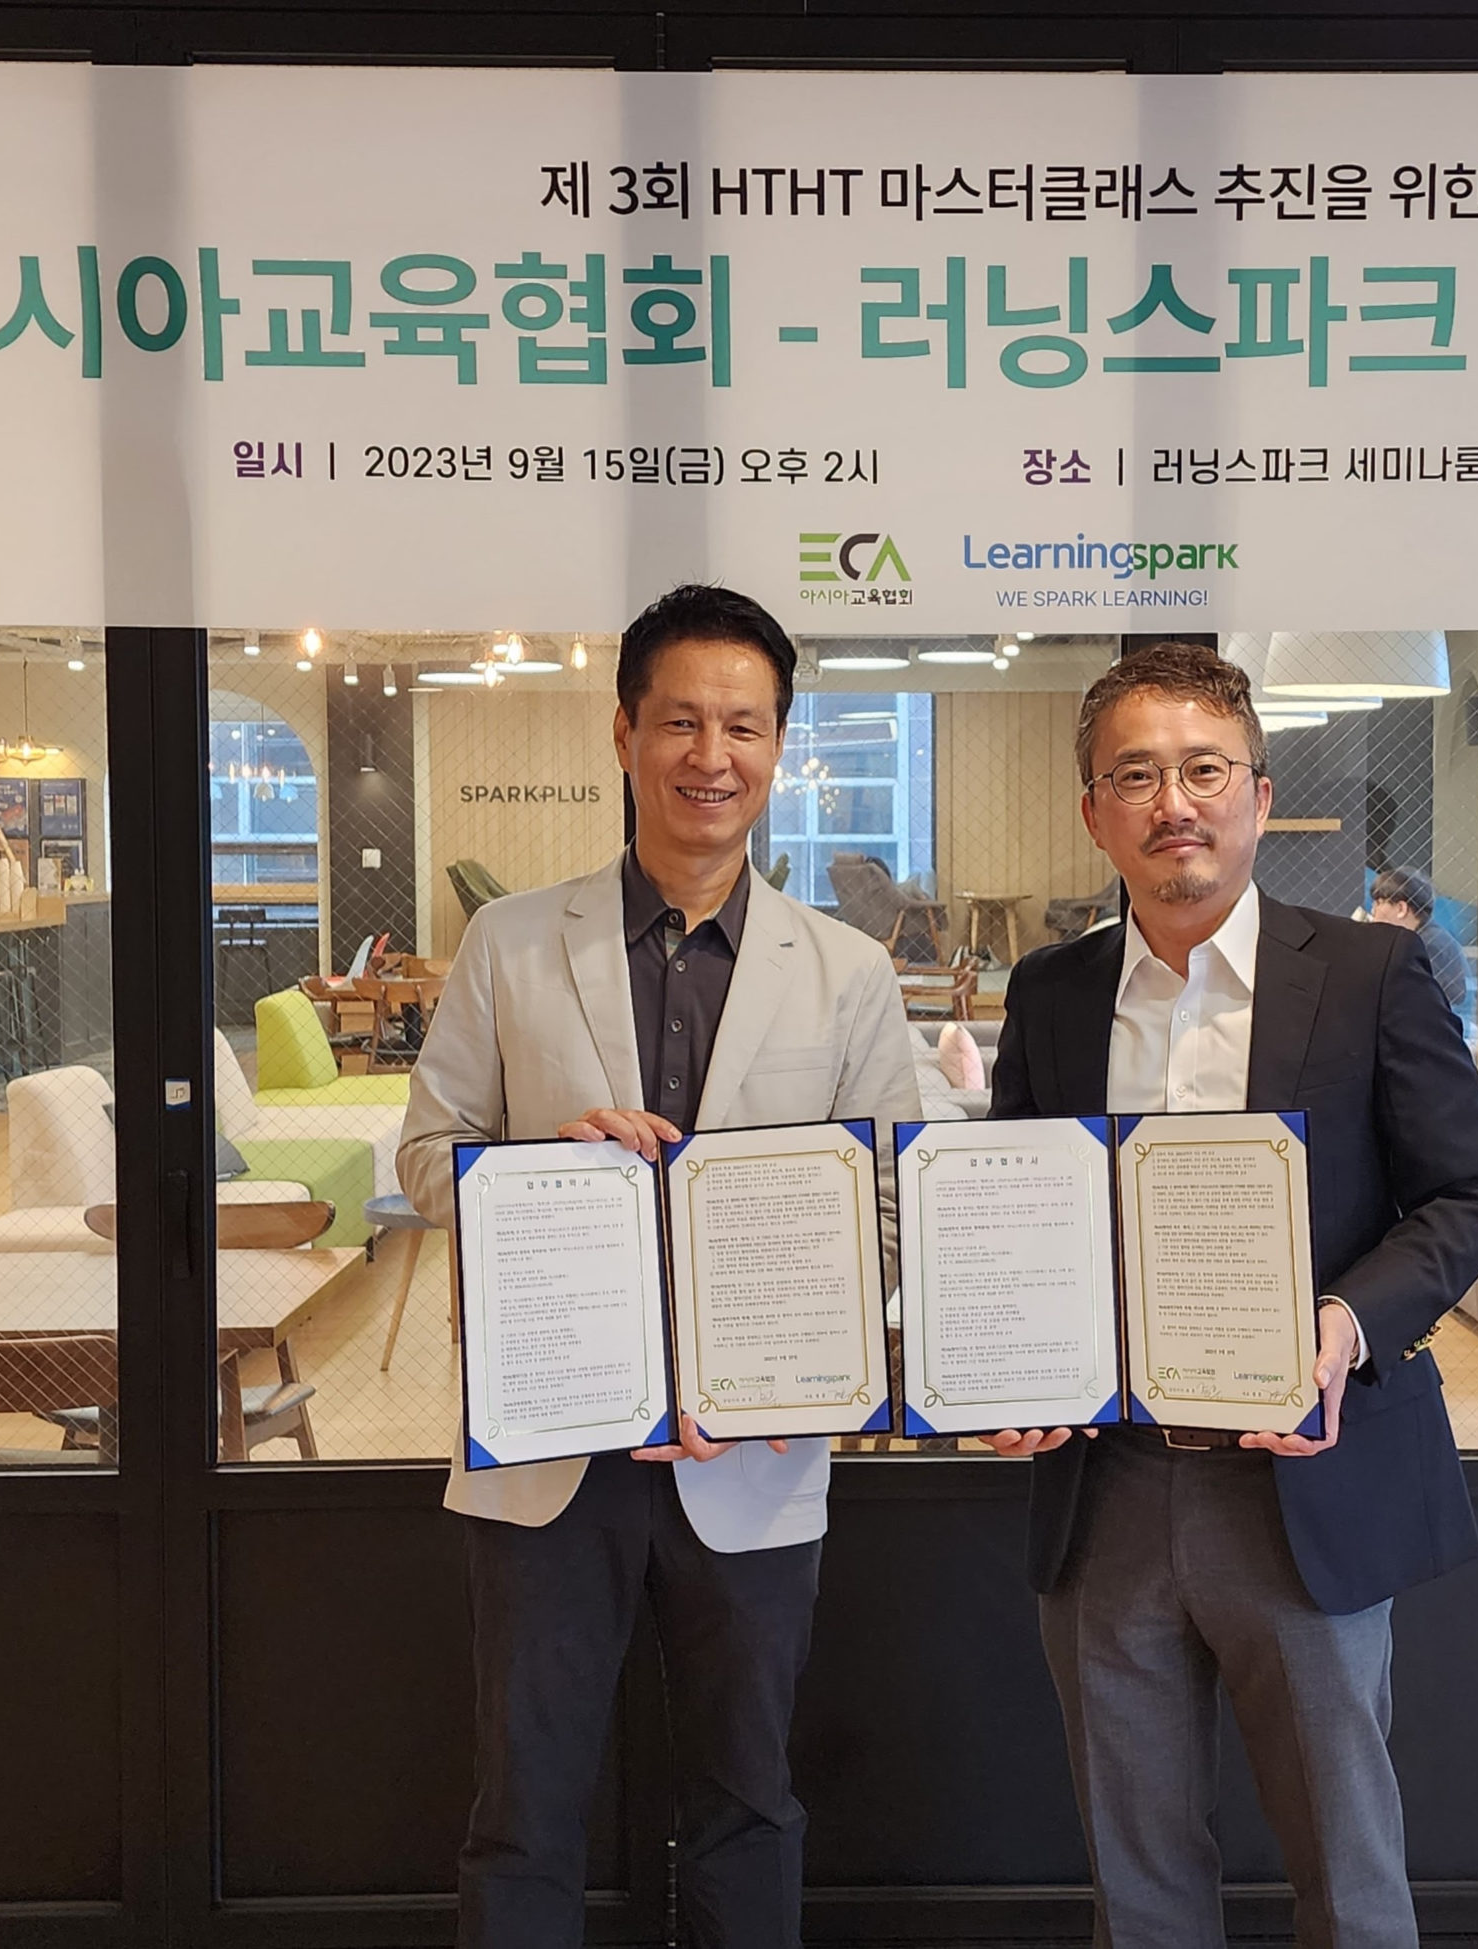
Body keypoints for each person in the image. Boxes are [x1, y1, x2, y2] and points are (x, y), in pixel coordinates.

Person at [396, 584, 923, 1949]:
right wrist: (541, 1169)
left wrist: (777, 1371)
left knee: (749, 1800)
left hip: (752, 1455)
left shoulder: (848, 972)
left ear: (780, 746)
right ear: (624, 733)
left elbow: (888, 1206)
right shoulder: (513, 942)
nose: (711, 754)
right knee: (524, 1810)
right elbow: (425, 1155)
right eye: (680, 720)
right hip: (547, 1448)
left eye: (743, 725)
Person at [987, 644, 1478, 1949]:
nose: (1174, 801)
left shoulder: (1371, 974)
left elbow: (1468, 1197)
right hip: (1107, 1486)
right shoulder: (1053, 994)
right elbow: (1013, 1211)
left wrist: (1343, 1325)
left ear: (1260, 796)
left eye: (1204, 769)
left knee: (1347, 1868)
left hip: (1302, 1481)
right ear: (1094, 812)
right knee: (1138, 1875)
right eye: (1135, 775)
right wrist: (1006, 1356)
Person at [1363, 865, 1469, 1010]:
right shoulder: (1422, 937)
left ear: (1401, 908)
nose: (1373, 910)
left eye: (1379, 903)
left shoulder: (1428, 944)